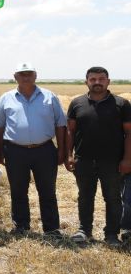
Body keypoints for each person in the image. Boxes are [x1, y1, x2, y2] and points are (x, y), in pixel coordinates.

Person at [0, 62, 66, 236]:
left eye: (29, 73)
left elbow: (60, 125)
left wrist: (61, 150)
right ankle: (21, 226)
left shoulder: (49, 97)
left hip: (44, 150)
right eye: (22, 74)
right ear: (15, 77)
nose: (26, 77)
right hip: (15, 151)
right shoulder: (6, 98)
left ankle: (51, 228)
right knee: (18, 191)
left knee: (47, 191)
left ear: (35, 76)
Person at [65, 67, 131, 246]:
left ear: (108, 81)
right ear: (86, 82)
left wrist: (127, 159)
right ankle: (84, 230)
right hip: (83, 160)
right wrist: (69, 155)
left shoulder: (122, 104)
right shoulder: (76, 103)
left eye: (101, 79)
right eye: (93, 79)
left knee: (113, 198)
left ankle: (111, 234)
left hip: (112, 162)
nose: (97, 82)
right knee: (85, 196)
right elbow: (70, 131)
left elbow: (129, 133)